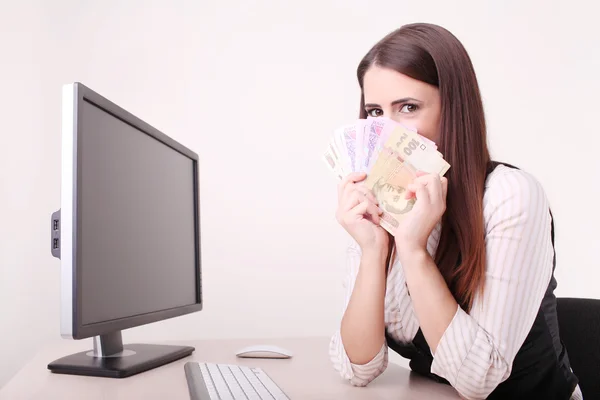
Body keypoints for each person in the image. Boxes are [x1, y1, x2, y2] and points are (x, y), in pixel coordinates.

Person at [329, 22, 583, 400]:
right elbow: (358, 367)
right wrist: (374, 250)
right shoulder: (381, 201)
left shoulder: (510, 195)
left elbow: (479, 380)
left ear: (453, 108)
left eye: (409, 107)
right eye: (375, 113)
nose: (386, 133)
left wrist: (413, 251)